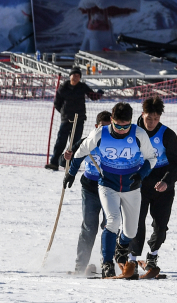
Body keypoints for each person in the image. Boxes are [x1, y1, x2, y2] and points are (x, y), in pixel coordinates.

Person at [64, 102, 157, 279]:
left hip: (132, 187)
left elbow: (151, 158)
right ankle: (107, 263)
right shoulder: (100, 133)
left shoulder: (139, 133)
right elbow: (80, 150)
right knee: (112, 221)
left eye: (126, 126)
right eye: (117, 125)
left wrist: (141, 175)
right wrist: (71, 173)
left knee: (131, 231)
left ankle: (121, 248)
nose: (122, 130)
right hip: (108, 184)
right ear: (112, 120)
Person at [129, 97, 177, 278]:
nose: (152, 122)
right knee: (136, 223)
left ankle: (152, 256)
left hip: (162, 186)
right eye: (148, 118)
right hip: (138, 184)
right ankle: (131, 258)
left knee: (161, 226)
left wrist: (167, 181)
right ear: (142, 114)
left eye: (155, 118)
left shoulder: (167, 135)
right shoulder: (132, 133)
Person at [64, 110, 111, 274]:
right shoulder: (87, 141)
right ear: (96, 126)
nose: (104, 132)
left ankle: (107, 263)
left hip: (109, 188)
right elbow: (72, 157)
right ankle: (80, 265)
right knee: (89, 226)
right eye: (101, 128)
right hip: (90, 188)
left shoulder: (114, 143)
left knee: (110, 226)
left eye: (108, 128)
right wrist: (67, 158)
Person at [47, 67, 103, 171]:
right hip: (66, 119)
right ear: (70, 76)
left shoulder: (82, 87)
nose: (76, 77)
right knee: (61, 141)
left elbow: (92, 96)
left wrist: (99, 93)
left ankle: (71, 165)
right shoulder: (63, 87)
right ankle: (54, 163)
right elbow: (57, 103)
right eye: (74, 75)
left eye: (78, 76)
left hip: (79, 119)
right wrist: (64, 112)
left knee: (75, 144)